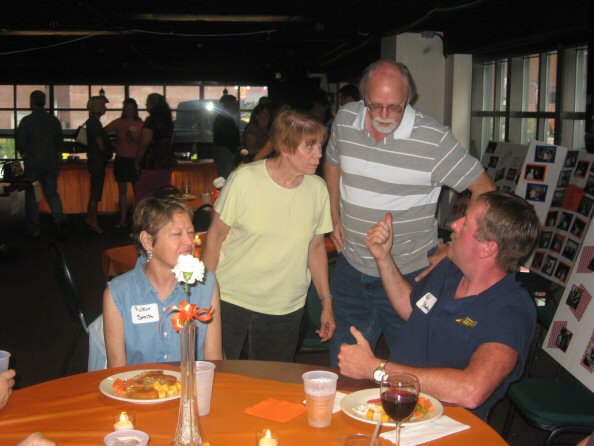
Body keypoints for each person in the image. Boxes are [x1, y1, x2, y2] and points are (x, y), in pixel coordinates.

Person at [325, 59, 496, 367]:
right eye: (375, 106)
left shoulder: (434, 139)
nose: (384, 116)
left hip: (408, 275)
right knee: (345, 369)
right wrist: (334, 217)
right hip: (351, 269)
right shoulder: (345, 119)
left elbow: (486, 190)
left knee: (411, 374)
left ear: (408, 99)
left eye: (394, 107)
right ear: (364, 98)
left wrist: (457, 249)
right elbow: (333, 161)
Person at [339, 191, 540, 420]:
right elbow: (414, 310)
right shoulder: (449, 271)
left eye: (466, 223)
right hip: (396, 407)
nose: (454, 224)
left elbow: (471, 390)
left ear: (488, 248)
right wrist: (384, 258)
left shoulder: (511, 310)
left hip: (445, 428)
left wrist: (376, 369)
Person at [203, 109, 336, 361]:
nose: (319, 154)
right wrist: (204, 294)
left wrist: (326, 301)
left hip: (285, 306)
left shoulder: (318, 189)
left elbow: (316, 248)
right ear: (285, 147)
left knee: (270, 386)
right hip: (232, 298)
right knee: (221, 380)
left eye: (320, 146)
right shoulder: (244, 180)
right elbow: (215, 237)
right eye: (310, 147)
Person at [103, 197, 223, 367]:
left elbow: (214, 362)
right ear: (147, 241)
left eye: (190, 232)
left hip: (192, 389)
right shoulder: (119, 293)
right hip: (138, 390)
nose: (189, 241)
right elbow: (117, 373)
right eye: (176, 234)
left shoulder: (206, 285)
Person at [16, 90, 67, 238]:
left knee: (32, 198)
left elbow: (21, 143)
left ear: (32, 102)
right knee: (52, 194)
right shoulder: (53, 121)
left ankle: (34, 229)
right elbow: (59, 144)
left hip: (33, 166)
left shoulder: (26, 121)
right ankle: (59, 222)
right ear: (44, 102)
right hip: (50, 165)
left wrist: (26, 156)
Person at [105, 98, 144, 228]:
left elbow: (145, 141)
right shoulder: (119, 122)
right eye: (127, 109)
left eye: (131, 109)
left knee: (137, 191)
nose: (129, 111)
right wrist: (113, 144)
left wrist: (134, 141)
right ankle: (122, 220)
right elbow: (103, 131)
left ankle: (138, 220)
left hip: (135, 159)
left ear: (135, 110)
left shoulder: (140, 124)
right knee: (122, 191)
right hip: (122, 159)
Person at [135, 93, 175, 203]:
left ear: (152, 105)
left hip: (151, 163)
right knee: (163, 197)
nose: (146, 105)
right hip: (166, 162)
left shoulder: (151, 120)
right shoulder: (168, 121)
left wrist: (137, 161)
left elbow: (144, 143)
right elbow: (171, 142)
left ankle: (144, 219)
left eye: (147, 103)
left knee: (144, 196)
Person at [85, 95, 113, 234]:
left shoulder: (92, 122)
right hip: (97, 161)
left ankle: (91, 218)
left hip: (95, 160)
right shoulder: (94, 123)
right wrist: (108, 152)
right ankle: (93, 221)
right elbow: (100, 144)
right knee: (96, 192)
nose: (105, 108)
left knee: (95, 191)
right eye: (103, 105)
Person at [212, 94, 241, 178]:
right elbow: (227, 140)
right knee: (229, 178)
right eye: (236, 104)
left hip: (224, 152)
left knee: (226, 177)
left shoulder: (222, 118)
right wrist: (237, 149)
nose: (237, 107)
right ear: (231, 105)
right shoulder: (225, 119)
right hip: (226, 153)